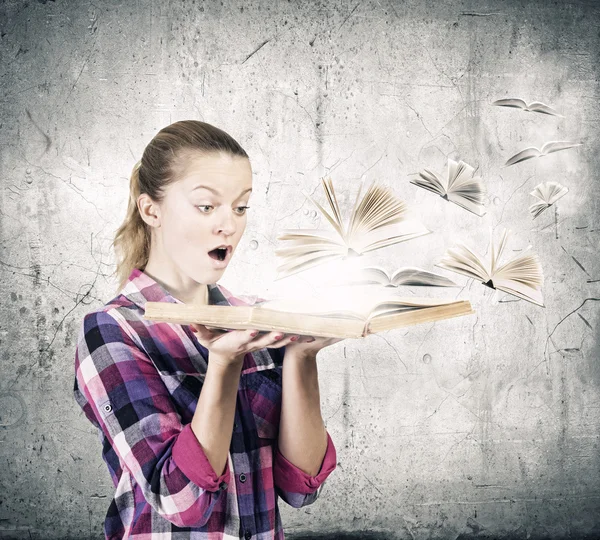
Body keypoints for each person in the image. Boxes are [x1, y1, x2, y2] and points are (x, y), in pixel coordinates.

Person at [73, 120, 343, 539]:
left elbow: (302, 487)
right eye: (206, 206)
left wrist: (302, 356)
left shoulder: (260, 319)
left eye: (240, 207)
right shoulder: (113, 331)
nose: (229, 225)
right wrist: (223, 363)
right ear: (151, 210)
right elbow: (180, 500)